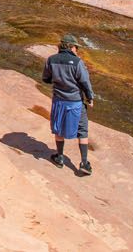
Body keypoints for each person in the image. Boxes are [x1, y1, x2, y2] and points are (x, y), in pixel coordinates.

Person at [42, 34, 95, 176]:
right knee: (82, 131)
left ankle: (59, 157)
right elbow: (85, 82)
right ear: (71, 47)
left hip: (59, 101)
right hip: (75, 102)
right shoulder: (77, 62)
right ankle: (84, 163)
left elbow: (46, 79)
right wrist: (90, 97)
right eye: (76, 47)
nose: (77, 50)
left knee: (59, 129)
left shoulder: (51, 60)